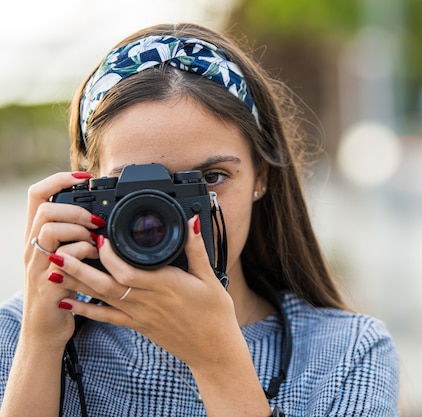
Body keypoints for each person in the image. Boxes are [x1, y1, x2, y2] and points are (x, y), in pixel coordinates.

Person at [0, 22, 400, 417]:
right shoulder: (21, 331)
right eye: (134, 188)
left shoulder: (347, 354)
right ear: (89, 190)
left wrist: (219, 362)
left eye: (210, 179)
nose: (167, 216)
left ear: (261, 176)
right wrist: (41, 342)